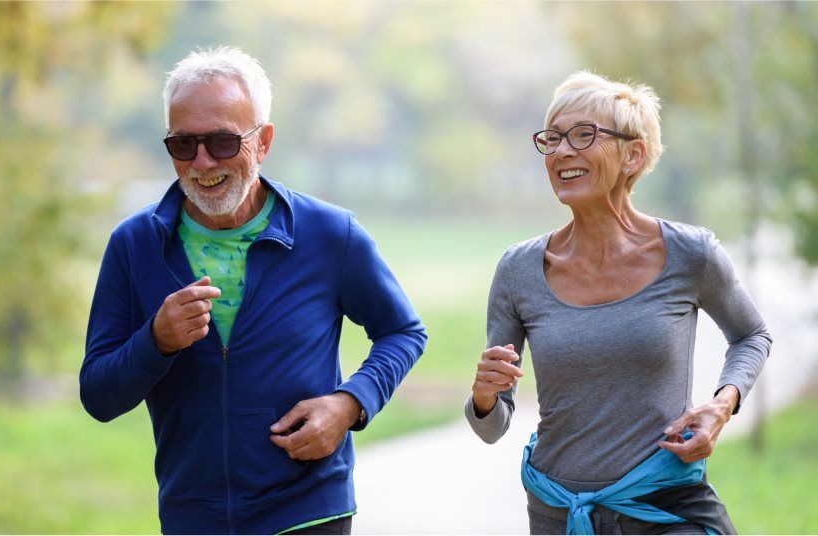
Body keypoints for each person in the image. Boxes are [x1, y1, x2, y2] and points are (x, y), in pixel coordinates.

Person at [80, 47, 426, 535]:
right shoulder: (134, 246)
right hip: (192, 518)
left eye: (222, 142)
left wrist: (348, 406)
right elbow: (98, 394)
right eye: (183, 144)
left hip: (309, 512)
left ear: (262, 141)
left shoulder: (330, 234)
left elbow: (403, 332)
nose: (202, 162)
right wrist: (155, 341)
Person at [465, 71, 771, 535]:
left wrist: (721, 406)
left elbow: (751, 335)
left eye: (584, 135)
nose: (562, 151)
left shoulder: (691, 253)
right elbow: (492, 426)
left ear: (634, 154)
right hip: (557, 511)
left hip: (664, 504)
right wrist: (485, 398)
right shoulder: (518, 270)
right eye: (553, 138)